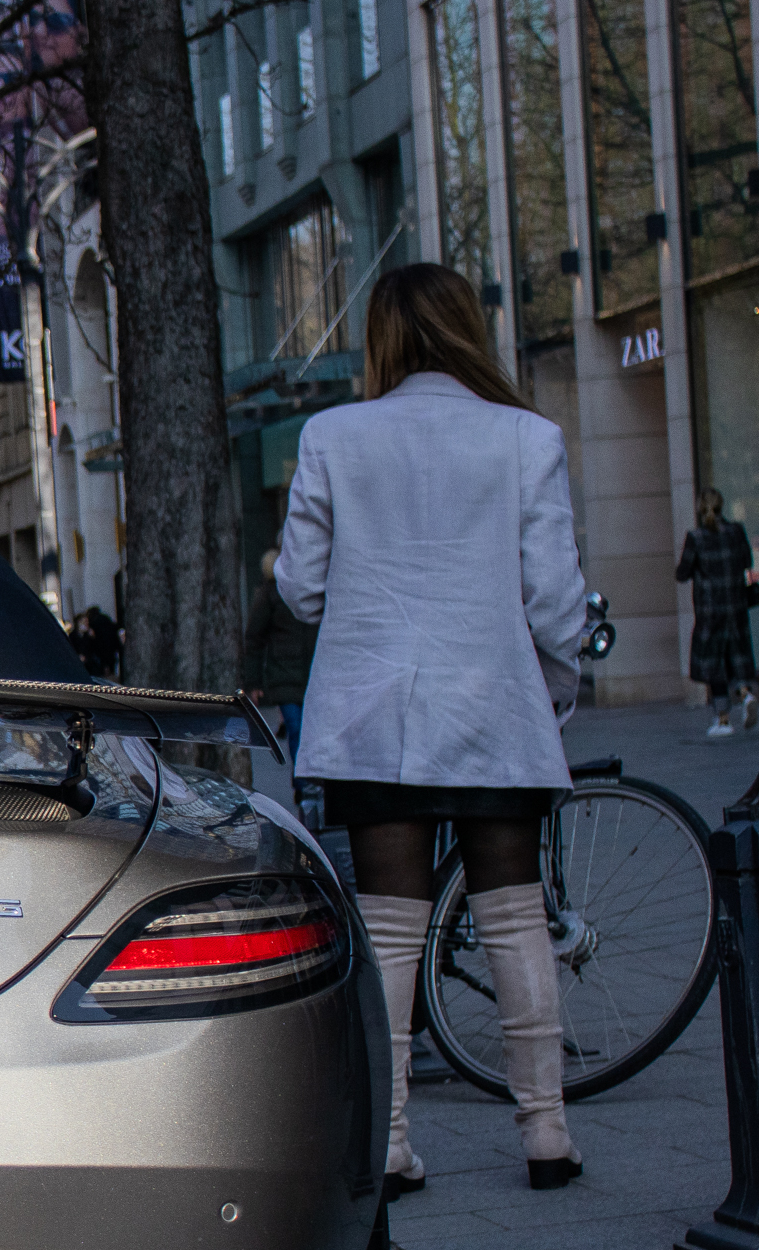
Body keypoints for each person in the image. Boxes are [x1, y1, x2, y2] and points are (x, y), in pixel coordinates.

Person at [274, 262, 590, 1200]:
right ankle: (546, 1132)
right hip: (492, 703)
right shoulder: (527, 440)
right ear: (466, 329)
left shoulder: (332, 435)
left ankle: (393, 1143)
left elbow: (300, 587)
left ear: (380, 337)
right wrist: (562, 682)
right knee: (516, 916)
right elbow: (554, 598)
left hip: (377, 715)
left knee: (393, 931)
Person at [243, 546, 321, 824]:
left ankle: (310, 785)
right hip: (286, 677)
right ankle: (305, 786)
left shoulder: (316, 588)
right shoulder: (272, 595)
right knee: (298, 730)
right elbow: (254, 639)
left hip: (315, 677)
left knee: (311, 731)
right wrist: (253, 682)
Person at [676, 487, 759, 738]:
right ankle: (745, 694)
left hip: (709, 610)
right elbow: (747, 561)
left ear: (701, 510)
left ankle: (723, 719)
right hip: (735, 606)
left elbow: (682, 573)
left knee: (714, 664)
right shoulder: (736, 531)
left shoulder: (696, 537)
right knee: (736, 655)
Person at [68, 605, 122, 678]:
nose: (86, 624)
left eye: (87, 622)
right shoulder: (73, 636)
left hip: (92, 666)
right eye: (83, 622)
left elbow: (98, 648)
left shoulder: (90, 635)